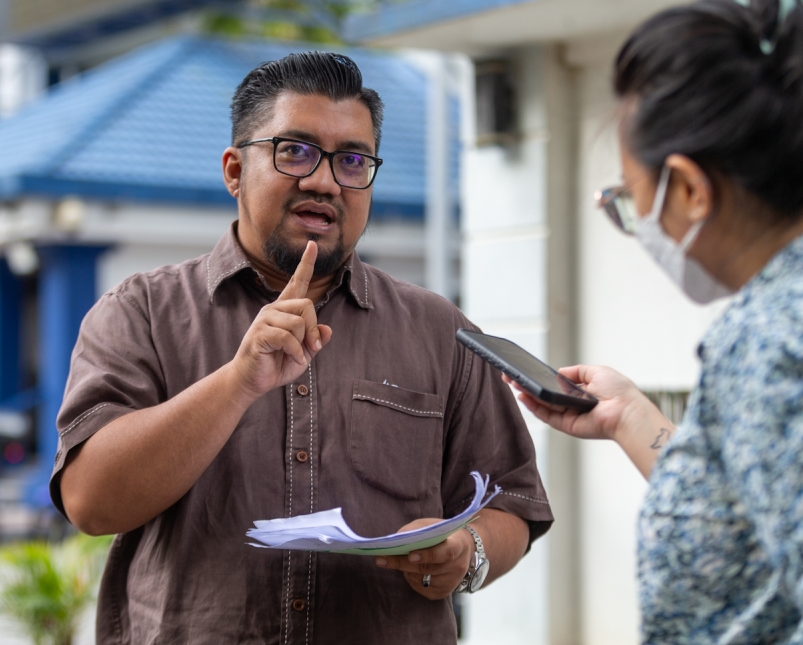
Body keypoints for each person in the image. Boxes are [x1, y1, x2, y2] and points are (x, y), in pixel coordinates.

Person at [51, 51, 553, 644]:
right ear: (235, 170)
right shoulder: (142, 313)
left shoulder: (438, 330)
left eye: (352, 159)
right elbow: (91, 503)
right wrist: (237, 381)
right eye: (295, 151)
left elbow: (513, 503)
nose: (324, 180)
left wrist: (466, 551)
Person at [512, 0, 803, 642]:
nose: (636, 223)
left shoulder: (767, 339)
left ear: (693, 190)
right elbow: (748, 522)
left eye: (631, 199)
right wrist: (631, 419)